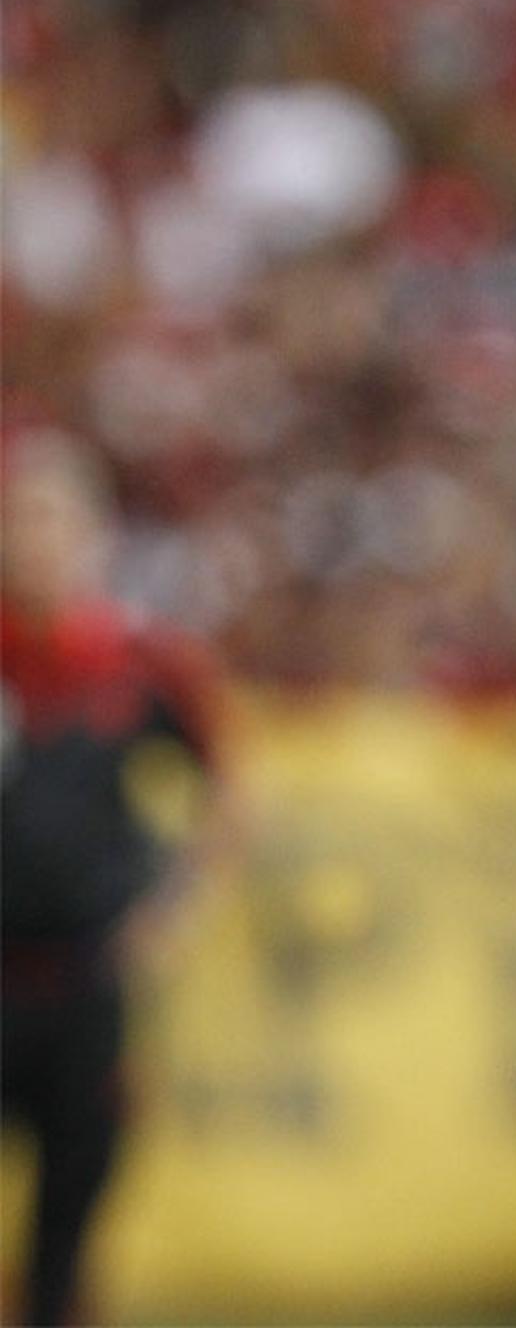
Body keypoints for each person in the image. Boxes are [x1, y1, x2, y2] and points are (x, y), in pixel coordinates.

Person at [1, 429, 235, 1326]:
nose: (37, 538)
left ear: (95, 535)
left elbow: (230, 796)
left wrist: (170, 915)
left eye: (55, 519)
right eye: (22, 519)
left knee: (68, 1226)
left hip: (85, 982)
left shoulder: (144, 661)